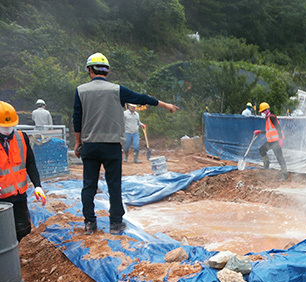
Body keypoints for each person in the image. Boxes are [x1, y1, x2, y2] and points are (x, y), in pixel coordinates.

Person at [73, 52, 178, 235]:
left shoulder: (80, 90)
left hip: (89, 144)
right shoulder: (117, 90)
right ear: (107, 71)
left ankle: (90, 223)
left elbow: (77, 117)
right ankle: (115, 223)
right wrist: (164, 104)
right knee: (114, 184)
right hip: (112, 146)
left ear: (90, 70)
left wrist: (77, 142)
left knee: (89, 185)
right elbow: (142, 98)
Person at [0, 101, 47, 242]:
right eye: (4, 127)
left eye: (10, 126)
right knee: (4, 235)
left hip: (19, 196)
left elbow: (30, 164)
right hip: (2, 200)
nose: (8, 130)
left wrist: (38, 185)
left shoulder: (22, 138)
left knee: (23, 230)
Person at [253, 102, 288, 180]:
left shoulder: (272, 117)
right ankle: (266, 165)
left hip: (276, 142)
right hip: (271, 142)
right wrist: (260, 132)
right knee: (262, 149)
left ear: (266, 110)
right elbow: (269, 132)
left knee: (279, 157)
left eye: (262, 112)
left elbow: (278, 128)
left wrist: (281, 139)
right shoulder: (268, 119)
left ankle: (285, 174)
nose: (262, 113)